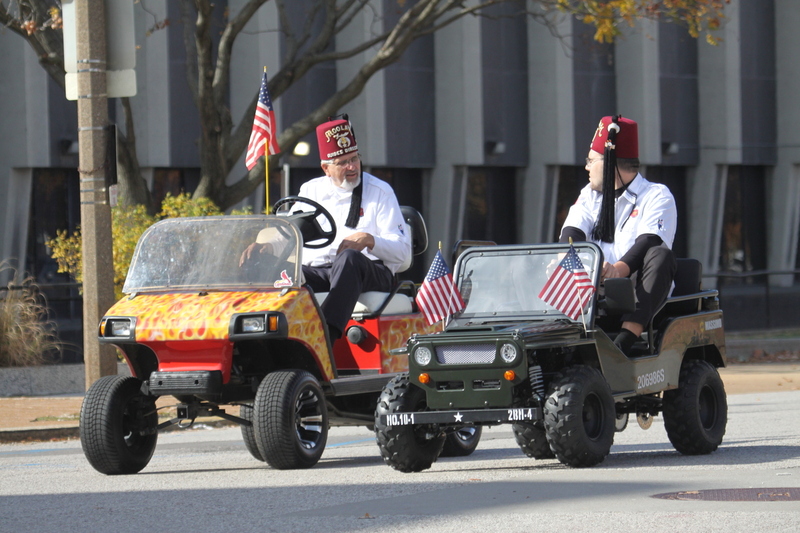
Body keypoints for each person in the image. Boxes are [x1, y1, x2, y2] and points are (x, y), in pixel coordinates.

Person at [243, 116, 410, 341]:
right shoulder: (311, 190)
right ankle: (259, 337)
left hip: (369, 271)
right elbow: (291, 235)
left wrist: (369, 240)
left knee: (349, 257)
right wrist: (265, 247)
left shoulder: (380, 191)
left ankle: (325, 336)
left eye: (354, 159)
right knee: (261, 263)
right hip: (322, 272)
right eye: (342, 162)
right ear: (326, 168)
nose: (352, 167)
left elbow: (402, 252)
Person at [559, 115, 677, 355]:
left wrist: (618, 270)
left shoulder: (656, 195)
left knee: (660, 255)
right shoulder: (590, 195)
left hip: (637, 300)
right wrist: (589, 266)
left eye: (591, 160)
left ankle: (624, 342)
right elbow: (572, 233)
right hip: (592, 297)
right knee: (558, 257)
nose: (587, 167)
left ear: (609, 162)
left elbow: (649, 241)